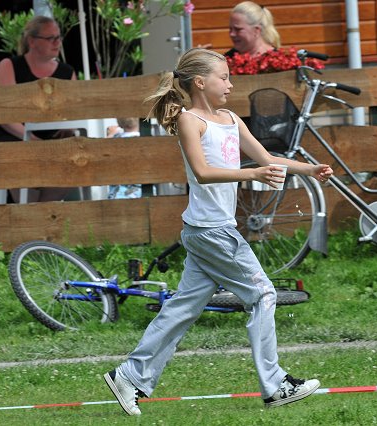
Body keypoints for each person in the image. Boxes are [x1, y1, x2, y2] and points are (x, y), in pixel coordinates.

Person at [103, 47, 332, 416]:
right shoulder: (190, 121)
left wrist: (309, 169)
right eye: (223, 77)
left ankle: (130, 375)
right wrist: (251, 174)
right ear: (199, 82)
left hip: (209, 231)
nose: (230, 84)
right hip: (211, 232)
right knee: (263, 293)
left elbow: (268, 159)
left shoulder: (230, 119)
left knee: (182, 309)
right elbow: (203, 172)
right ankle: (275, 385)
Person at [0, 15, 77, 203]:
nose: (57, 42)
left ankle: (39, 209)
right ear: (32, 41)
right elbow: (3, 115)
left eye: (58, 37)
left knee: (76, 153)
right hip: (13, 135)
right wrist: (30, 138)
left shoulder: (67, 72)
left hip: (51, 137)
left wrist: (65, 129)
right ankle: (32, 210)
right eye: (50, 38)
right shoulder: (10, 66)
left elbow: (71, 113)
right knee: (18, 155)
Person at [107, 117, 143, 199]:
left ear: (119, 122)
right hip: (141, 193)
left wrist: (110, 135)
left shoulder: (113, 140)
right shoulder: (147, 139)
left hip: (118, 195)